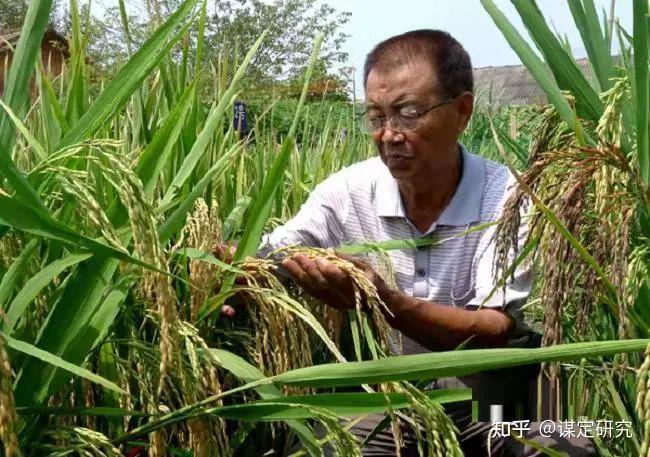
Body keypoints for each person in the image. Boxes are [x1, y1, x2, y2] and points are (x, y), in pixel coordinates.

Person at [222, 29, 595, 457]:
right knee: (327, 448)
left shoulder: (506, 197)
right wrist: (238, 271)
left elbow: (494, 329)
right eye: (377, 117)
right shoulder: (347, 191)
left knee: (571, 448)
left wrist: (385, 302)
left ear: (462, 111)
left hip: (490, 395)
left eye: (409, 113)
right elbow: (276, 252)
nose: (389, 134)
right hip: (393, 395)